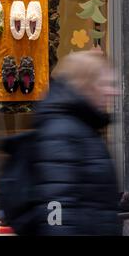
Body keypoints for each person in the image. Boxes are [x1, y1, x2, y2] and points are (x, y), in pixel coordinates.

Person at [22, 50, 121, 235]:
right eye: (106, 84)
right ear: (87, 84)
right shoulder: (62, 131)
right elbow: (56, 204)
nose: (115, 91)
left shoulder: (83, 127)